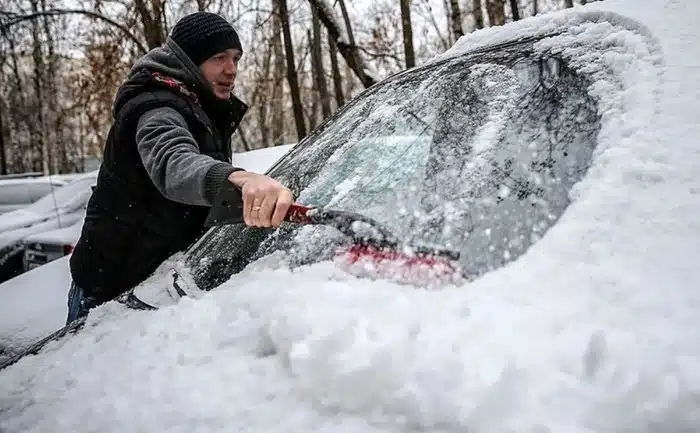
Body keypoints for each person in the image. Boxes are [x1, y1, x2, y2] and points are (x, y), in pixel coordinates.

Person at [67, 12, 293, 324]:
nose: (232, 70)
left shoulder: (200, 106)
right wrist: (236, 177)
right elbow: (173, 162)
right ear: (188, 60)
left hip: (159, 286)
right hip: (110, 293)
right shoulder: (156, 105)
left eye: (236, 58)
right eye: (218, 58)